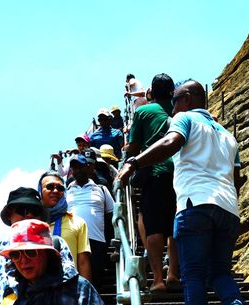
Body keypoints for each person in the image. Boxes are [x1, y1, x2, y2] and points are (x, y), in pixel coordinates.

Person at [117, 80, 247, 305]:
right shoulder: (227, 135)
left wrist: (134, 163)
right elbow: (238, 179)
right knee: (221, 272)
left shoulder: (184, 119)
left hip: (194, 204)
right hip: (228, 209)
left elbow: (171, 142)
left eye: (175, 99)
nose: (172, 106)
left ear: (187, 99)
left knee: (193, 276)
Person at [124, 73, 180, 293]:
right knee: (175, 225)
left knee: (155, 228)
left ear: (151, 93)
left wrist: (127, 154)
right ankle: (173, 273)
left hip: (155, 172)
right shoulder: (180, 112)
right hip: (180, 174)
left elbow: (135, 146)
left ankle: (157, 279)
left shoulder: (143, 111)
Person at [66, 155, 115, 291]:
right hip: (73, 240)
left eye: (81, 167)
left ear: (87, 167)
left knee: (95, 279)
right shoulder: (67, 191)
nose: (78, 171)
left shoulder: (101, 189)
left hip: (96, 240)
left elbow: (111, 215)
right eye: (74, 168)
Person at [38, 170, 92, 281]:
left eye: (60, 188)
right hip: (39, 293)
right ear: (40, 192)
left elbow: (83, 262)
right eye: (50, 187)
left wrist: (86, 294)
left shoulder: (78, 223)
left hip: (69, 291)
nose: (56, 191)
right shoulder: (33, 224)